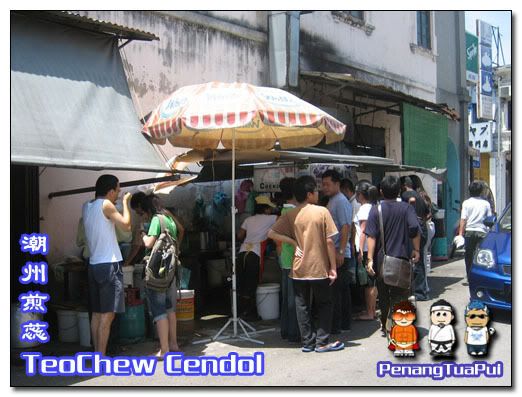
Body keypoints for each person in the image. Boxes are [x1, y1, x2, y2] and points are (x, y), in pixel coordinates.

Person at [268, 175, 344, 353]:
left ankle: (308, 342)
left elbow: (271, 233)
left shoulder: (292, 214)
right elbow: (330, 242)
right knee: (324, 303)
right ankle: (322, 342)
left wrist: (293, 243)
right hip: (319, 267)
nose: (318, 193)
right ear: (309, 194)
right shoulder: (322, 212)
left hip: (298, 268)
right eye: (315, 191)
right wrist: (333, 267)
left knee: (302, 305)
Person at [365, 175, 421, 338]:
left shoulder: (376, 210)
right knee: (400, 295)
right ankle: (396, 325)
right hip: (402, 260)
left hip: (382, 261)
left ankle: (385, 324)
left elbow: (371, 236)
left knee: (383, 296)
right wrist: (416, 250)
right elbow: (414, 229)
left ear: (381, 191)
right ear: (399, 191)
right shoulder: (406, 209)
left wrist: (369, 259)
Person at [82, 174, 131, 356]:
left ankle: (97, 355)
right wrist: (126, 203)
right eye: (118, 190)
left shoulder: (87, 206)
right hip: (109, 265)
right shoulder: (106, 205)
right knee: (108, 315)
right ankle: (100, 357)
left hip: (94, 265)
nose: (118, 194)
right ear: (110, 191)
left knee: (96, 314)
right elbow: (126, 226)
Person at [139, 194, 181, 358]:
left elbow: (149, 243)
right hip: (170, 270)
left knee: (159, 309)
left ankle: (164, 350)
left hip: (158, 270)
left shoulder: (157, 220)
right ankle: (173, 343)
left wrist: (143, 233)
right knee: (170, 307)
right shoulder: (169, 220)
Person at [322, 170, 354, 333]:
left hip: (339, 252)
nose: (324, 187)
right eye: (323, 184)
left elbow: (345, 226)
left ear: (337, 184)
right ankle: (342, 324)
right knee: (339, 290)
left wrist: (341, 251)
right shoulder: (333, 200)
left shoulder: (340, 201)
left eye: (328, 184)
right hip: (334, 251)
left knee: (338, 291)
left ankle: (340, 325)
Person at [236, 195, 278, 319]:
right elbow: (282, 223)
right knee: (251, 283)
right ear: (265, 209)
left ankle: (241, 311)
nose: (271, 210)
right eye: (269, 208)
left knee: (241, 283)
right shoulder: (272, 218)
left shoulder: (248, 219)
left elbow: (239, 235)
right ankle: (250, 313)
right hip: (254, 253)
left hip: (242, 253)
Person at [277, 177, 300, 342]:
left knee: (286, 299)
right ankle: (293, 332)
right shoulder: (292, 213)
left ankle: (285, 330)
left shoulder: (283, 211)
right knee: (294, 300)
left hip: (285, 259)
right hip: (293, 260)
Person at [401, 176, 430, 301]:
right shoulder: (420, 196)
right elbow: (428, 213)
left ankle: (419, 293)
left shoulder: (407, 195)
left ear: (403, 185)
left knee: (415, 260)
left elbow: (411, 202)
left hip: (414, 230)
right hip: (423, 228)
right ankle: (421, 290)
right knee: (419, 261)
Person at [353, 180, 379, 321]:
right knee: (371, 280)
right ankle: (372, 310)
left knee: (369, 282)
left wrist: (361, 251)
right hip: (372, 248)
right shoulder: (374, 206)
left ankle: (370, 312)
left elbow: (363, 231)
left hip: (365, 248)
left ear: (361, 195)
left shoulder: (364, 209)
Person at [458, 181, 493, 280]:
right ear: (481, 191)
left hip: (469, 231)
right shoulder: (486, 203)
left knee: (469, 255)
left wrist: (460, 234)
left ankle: (470, 276)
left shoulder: (466, 203)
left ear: (470, 191)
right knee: (483, 255)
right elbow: (489, 219)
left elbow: (463, 219)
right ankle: (482, 276)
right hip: (482, 232)